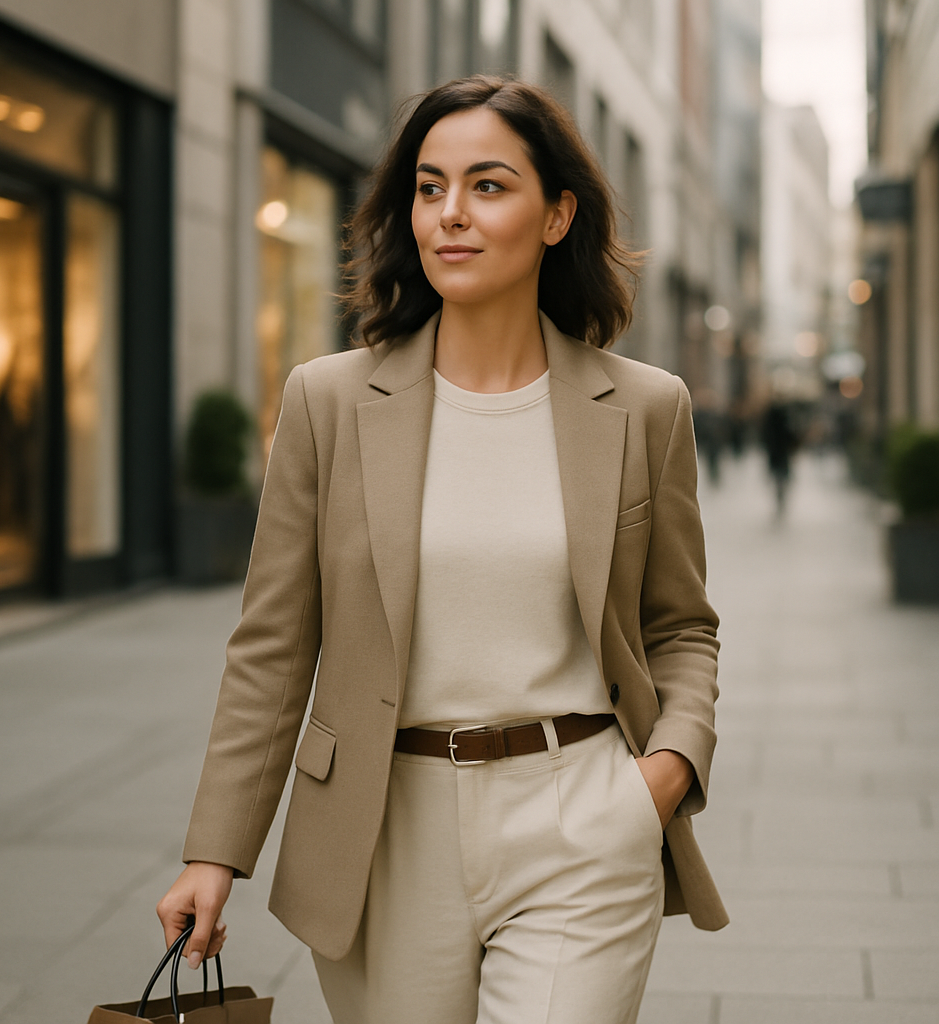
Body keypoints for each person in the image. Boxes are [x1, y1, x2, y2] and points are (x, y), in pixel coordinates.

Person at [157, 76, 725, 1024]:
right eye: (429, 187)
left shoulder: (643, 407)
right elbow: (272, 649)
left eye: (489, 186)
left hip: (580, 815)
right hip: (382, 826)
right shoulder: (328, 402)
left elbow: (681, 628)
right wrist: (214, 851)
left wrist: (664, 773)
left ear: (557, 216)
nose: (450, 215)